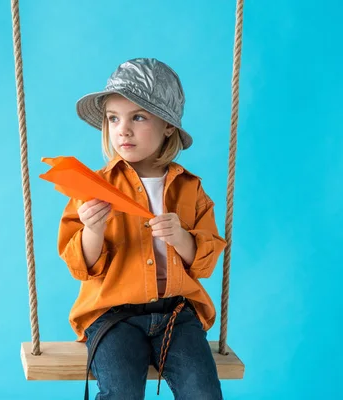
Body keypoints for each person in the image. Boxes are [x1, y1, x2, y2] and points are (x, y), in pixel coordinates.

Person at [57, 58, 227, 400]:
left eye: (138, 117)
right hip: (114, 316)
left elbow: (204, 263)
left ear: (167, 126)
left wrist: (181, 238)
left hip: (177, 315)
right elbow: (81, 266)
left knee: (204, 393)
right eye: (113, 119)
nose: (123, 130)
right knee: (120, 393)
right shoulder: (93, 186)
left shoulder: (189, 189)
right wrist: (93, 230)